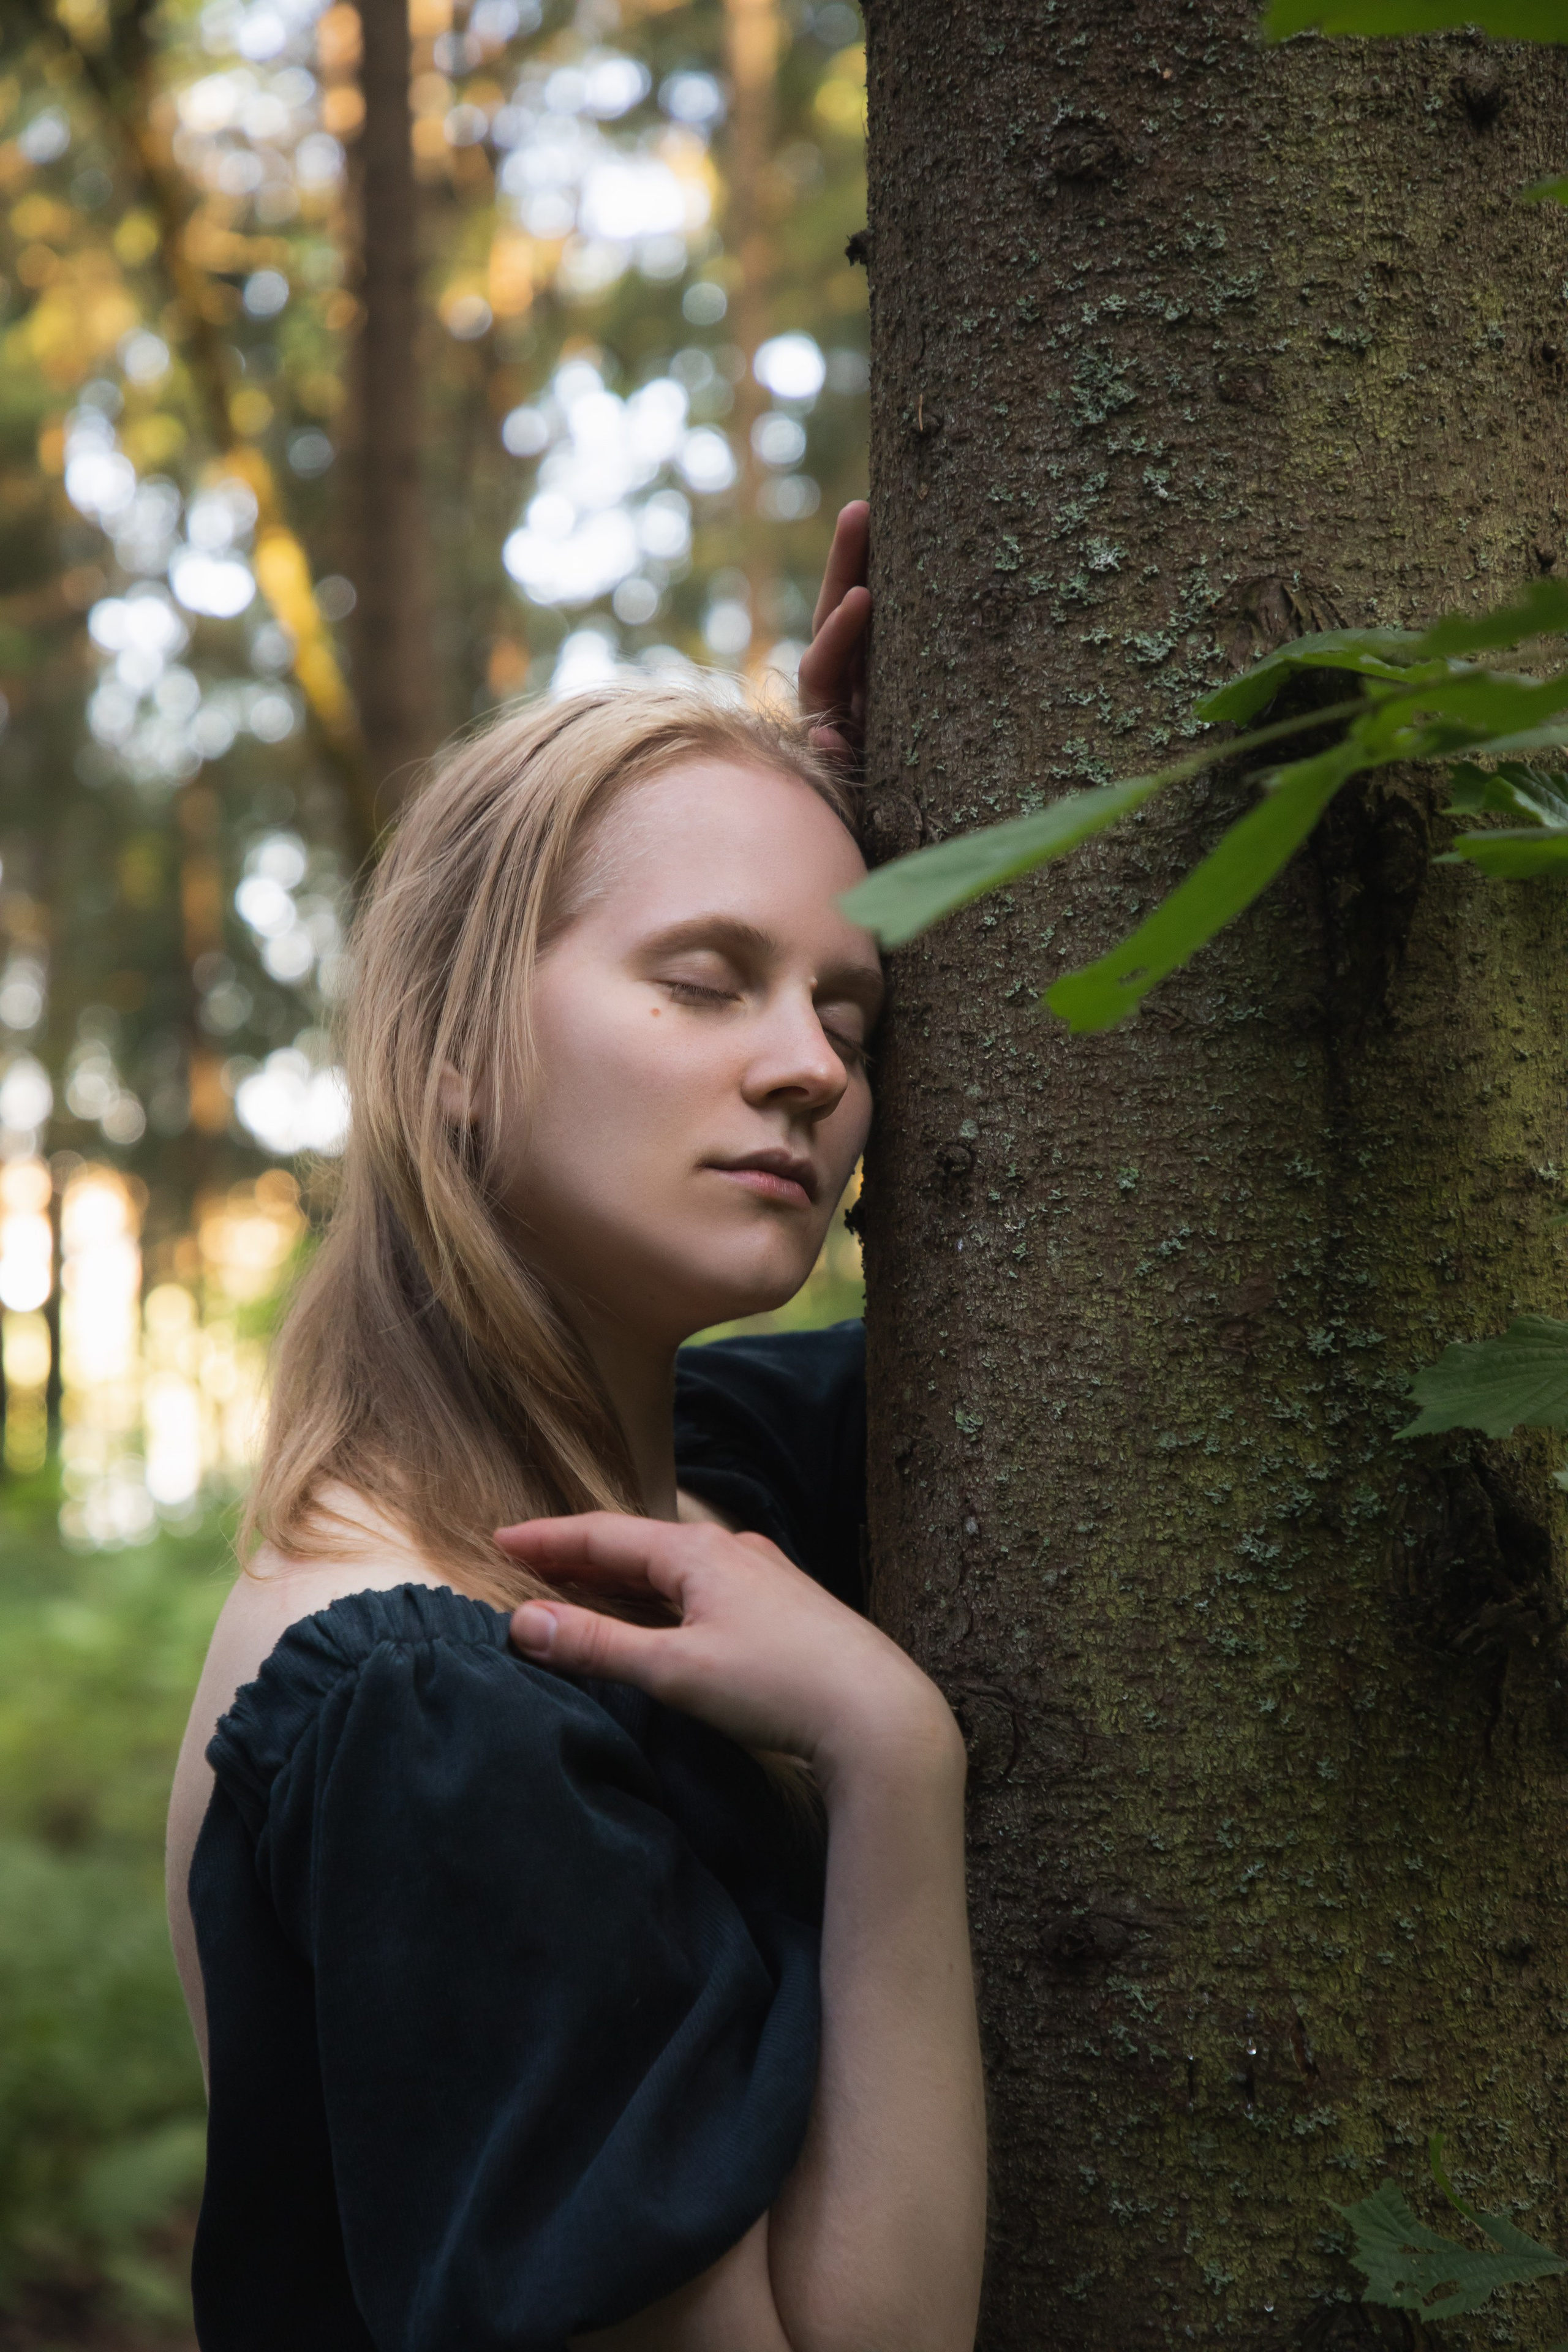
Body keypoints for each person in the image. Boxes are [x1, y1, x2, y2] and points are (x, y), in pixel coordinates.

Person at [165, 503, 986, 2352]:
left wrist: (868, 801)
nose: (811, 1069)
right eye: (704, 982)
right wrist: (887, 1762)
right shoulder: (428, 1710)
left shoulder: (690, 1496)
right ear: (449, 1044)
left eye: (850, 1010)